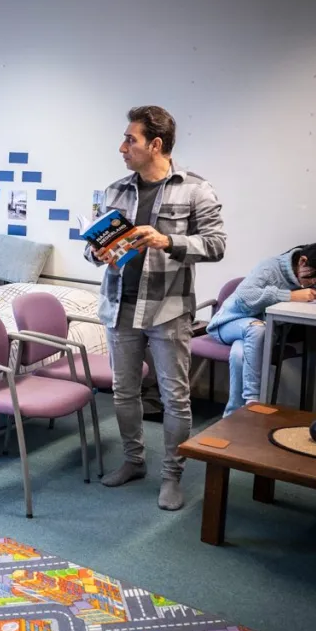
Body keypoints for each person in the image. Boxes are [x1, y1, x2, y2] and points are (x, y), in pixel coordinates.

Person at [84, 105, 226, 511]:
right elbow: (93, 248)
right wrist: (99, 253)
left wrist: (168, 241)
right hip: (119, 307)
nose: (122, 147)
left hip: (168, 309)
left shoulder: (196, 189)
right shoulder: (115, 190)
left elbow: (216, 245)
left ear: (156, 144)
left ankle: (172, 475)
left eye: (130, 140)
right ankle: (134, 461)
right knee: (124, 392)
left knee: (175, 397)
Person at [209, 243, 316, 417]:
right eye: (312, 277)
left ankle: (232, 415)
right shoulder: (270, 267)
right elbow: (245, 295)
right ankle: (252, 400)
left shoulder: (309, 277)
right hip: (229, 323)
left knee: (239, 355)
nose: (312, 282)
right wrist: (289, 296)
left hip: (256, 332)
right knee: (257, 330)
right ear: (302, 261)